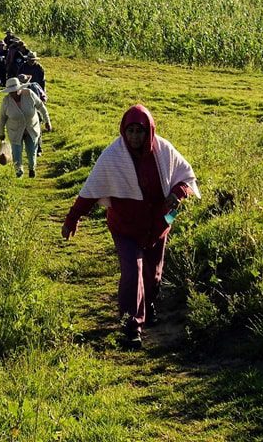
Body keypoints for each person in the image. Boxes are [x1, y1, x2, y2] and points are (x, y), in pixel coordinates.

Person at [61, 105, 199, 349]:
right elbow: (92, 189)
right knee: (133, 273)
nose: (135, 137)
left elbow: (185, 176)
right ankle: (131, 327)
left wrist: (178, 192)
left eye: (140, 131)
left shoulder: (164, 150)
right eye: (131, 131)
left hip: (158, 224)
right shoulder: (113, 155)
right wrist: (73, 217)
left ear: (150, 132)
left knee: (153, 275)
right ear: (124, 131)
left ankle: (149, 304)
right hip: (125, 227)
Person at [0, 76, 51, 178]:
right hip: (15, 131)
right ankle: (19, 172)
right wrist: (1, 132)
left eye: (15, 90)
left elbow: (41, 107)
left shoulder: (29, 94)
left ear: (19, 89)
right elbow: (2, 118)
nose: (13, 93)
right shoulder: (6, 101)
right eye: (11, 92)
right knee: (17, 153)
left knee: (31, 152)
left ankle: (32, 168)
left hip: (31, 128)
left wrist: (47, 121)